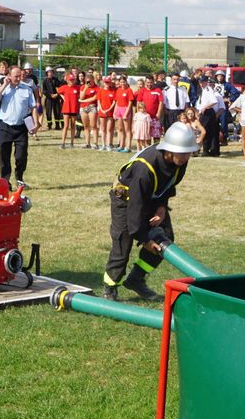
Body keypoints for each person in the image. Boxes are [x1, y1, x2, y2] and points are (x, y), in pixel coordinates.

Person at [101, 121, 198, 301]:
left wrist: (161, 207)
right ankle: (110, 287)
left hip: (151, 197)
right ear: (169, 150)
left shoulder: (179, 162)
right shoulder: (145, 168)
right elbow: (135, 207)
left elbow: (168, 185)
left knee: (165, 238)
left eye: (189, 152)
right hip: (126, 200)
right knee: (123, 243)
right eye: (183, 153)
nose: (187, 157)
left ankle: (136, 279)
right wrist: (145, 239)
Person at [0, 65, 40, 189]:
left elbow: (33, 107)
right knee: (4, 156)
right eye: (16, 76)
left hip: (21, 127)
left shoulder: (27, 89)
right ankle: (5, 182)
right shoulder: (3, 88)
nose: (18, 78)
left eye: (20, 76)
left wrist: (35, 124)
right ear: (9, 76)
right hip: (5, 127)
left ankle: (19, 178)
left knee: (21, 156)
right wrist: (4, 86)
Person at [57, 71, 80, 149]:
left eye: (73, 80)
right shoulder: (64, 87)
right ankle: (63, 143)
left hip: (74, 108)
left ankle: (72, 143)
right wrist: (63, 97)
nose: (72, 81)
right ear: (67, 80)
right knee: (66, 125)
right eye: (70, 80)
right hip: (66, 108)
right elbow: (58, 91)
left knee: (73, 125)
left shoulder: (77, 87)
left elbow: (81, 94)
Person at [78, 73, 99, 149]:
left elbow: (94, 98)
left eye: (90, 81)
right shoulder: (83, 87)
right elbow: (81, 97)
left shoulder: (97, 88)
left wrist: (82, 101)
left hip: (92, 107)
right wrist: (85, 88)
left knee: (93, 125)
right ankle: (87, 143)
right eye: (87, 81)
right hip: (83, 108)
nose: (89, 83)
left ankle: (95, 143)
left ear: (93, 80)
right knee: (86, 126)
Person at [40, 66, 61, 132]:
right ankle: (49, 125)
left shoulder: (56, 79)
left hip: (56, 98)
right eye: (49, 72)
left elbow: (59, 88)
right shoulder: (45, 81)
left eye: (51, 72)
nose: (50, 73)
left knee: (57, 112)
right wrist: (50, 95)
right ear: (46, 73)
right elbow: (44, 91)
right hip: (49, 99)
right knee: (48, 112)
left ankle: (57, 125)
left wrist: (57, 94)